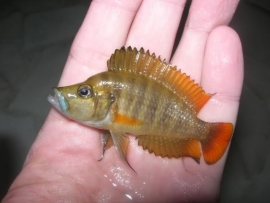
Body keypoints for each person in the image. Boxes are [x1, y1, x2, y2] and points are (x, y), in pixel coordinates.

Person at [3, 0, 243, 202]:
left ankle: (205, 133)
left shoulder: (112, 114)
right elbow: (117, 130)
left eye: (84, 92)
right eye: (83, 92)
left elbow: (120, 128)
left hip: (184, 123)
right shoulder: (110, 118)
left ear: (107, 102)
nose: (70, 94)